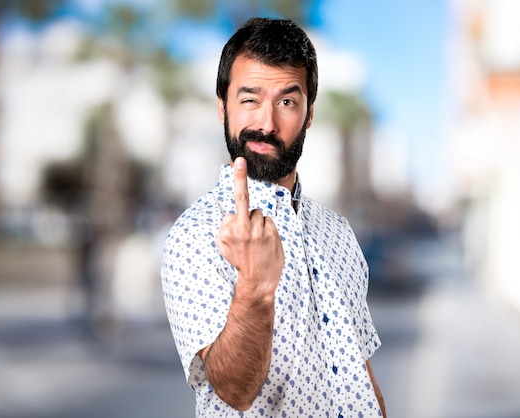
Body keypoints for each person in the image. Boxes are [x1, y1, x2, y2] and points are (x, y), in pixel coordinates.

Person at [161, 17, 386, 417]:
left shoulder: (337, 231)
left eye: (286, 101)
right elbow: (234, 390)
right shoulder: (194, 235)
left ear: (309, 113)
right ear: (222, 108)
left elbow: (362, 374)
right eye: (249, 99)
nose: (266, 123)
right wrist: (255, 288)